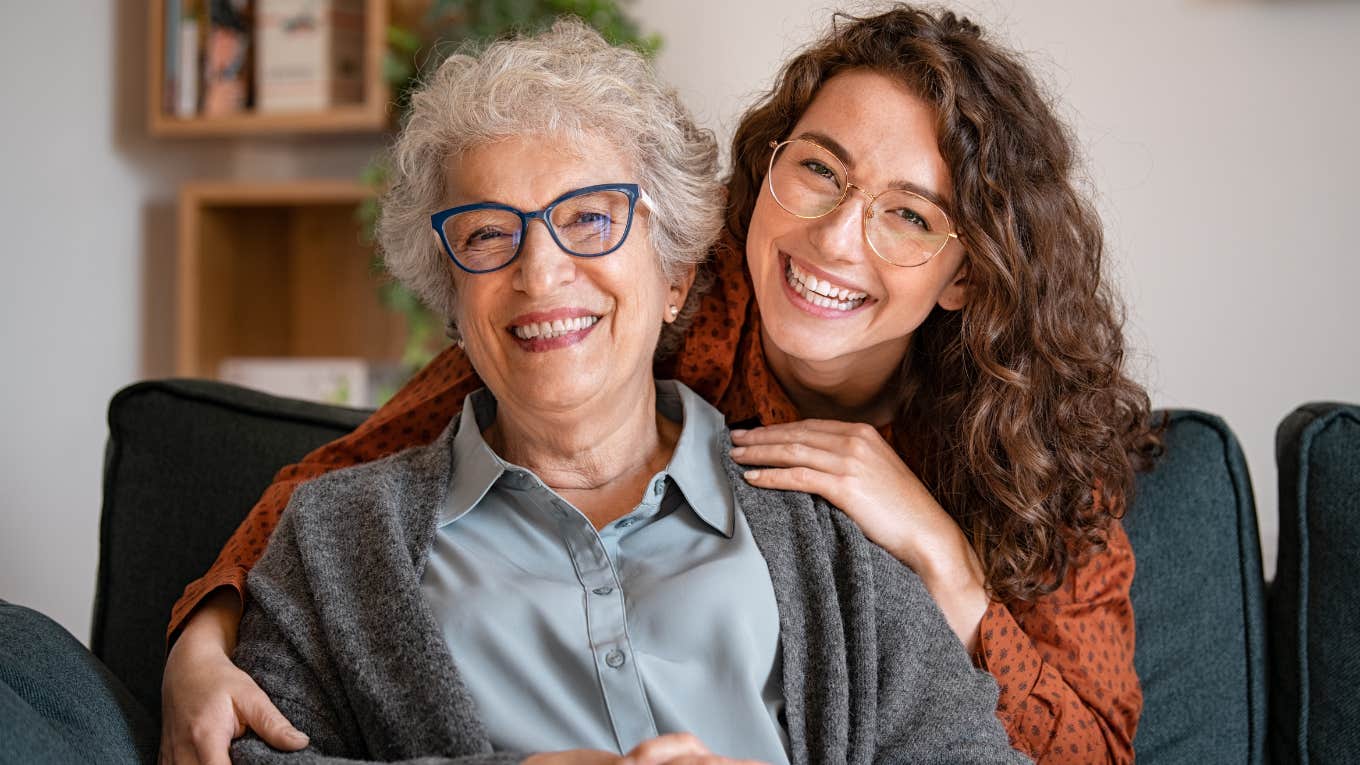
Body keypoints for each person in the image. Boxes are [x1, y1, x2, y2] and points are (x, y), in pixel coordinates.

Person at [161, 6, 1159, 764]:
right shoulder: (680, 294)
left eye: (907, 215)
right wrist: (202, 637)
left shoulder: (1027, 447)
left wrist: (940, 560)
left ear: (967, 270)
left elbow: (1085, 746)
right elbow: (347, 480)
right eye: (818, 170)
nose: (832, 239)